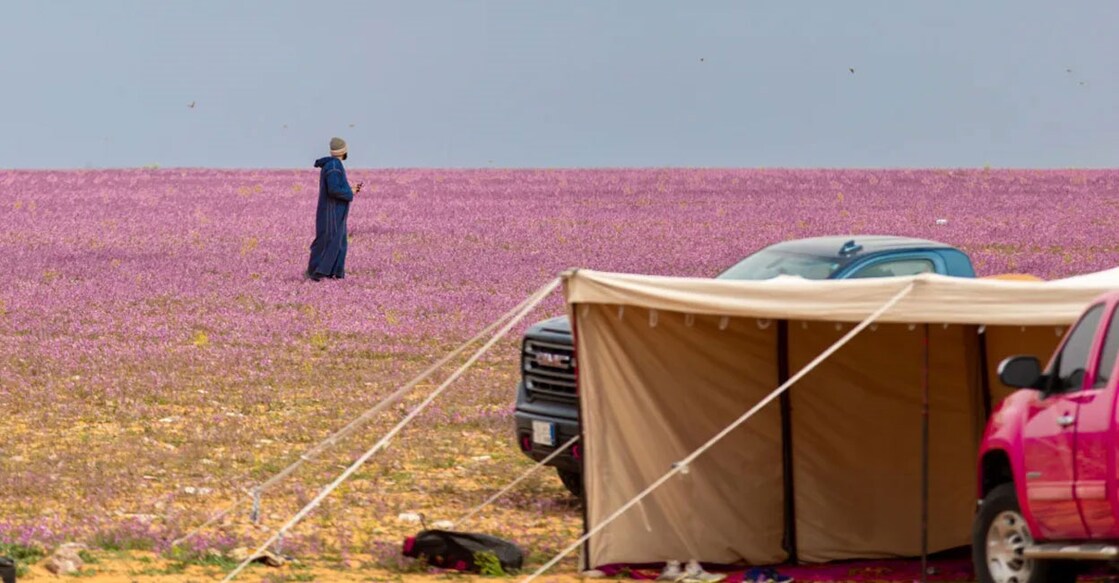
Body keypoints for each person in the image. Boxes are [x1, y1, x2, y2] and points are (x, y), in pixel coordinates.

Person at [306, 137, 361, 281]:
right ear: (343, 151)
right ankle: (319, 273)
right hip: (332, 213)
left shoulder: (331, 165)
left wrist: (350, 189)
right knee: (329, 241)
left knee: (338, 242)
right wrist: (350, 192)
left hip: (334, 212)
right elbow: (334, 189)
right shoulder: (334, 166)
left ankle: (332, 274)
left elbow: (335, 187)